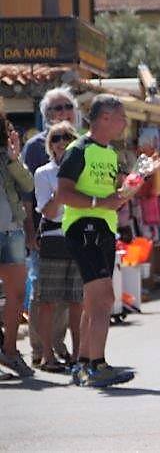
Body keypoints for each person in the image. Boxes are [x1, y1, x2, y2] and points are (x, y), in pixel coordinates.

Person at [55, 95, 143, 387]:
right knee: (104, 297)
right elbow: (63, 194)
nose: (124, 123)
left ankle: (82, 365)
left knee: (95, 299)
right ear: (104, 117)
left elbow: (114, 198)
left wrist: (136, 180)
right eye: (121, 117)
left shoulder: (110, 153)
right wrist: (97, 202)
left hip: (105, 228)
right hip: (83, 226)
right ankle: (98, 365)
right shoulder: (78, 150)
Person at [22, 85, 79, 367]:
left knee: (68, 295)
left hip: (75, 233)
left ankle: (58, 345)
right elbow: (27, 196)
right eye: (57, 108)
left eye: (68, 106)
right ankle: (38, 349)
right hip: (44, 232)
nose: (64, 112)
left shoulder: (82, 146)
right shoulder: (35, 148)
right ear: (46, 115)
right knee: (42, 294)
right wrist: (31, 233)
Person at [32, 121, 83, 372]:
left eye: (66, 137)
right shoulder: (43, 173)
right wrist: (63, 187)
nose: (61, 142)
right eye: (55, 138)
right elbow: (49, 212)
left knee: (77, 300)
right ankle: (47, 355)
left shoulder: (83, 169)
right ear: (49, 145)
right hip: (53, 239)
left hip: (79, 237)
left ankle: (77, 354)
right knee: (48, 301)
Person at [0, 113, 36, 378]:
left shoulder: (8, 154)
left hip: (12, 230)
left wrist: (14, 160)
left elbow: (28, 184)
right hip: (11, 232)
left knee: (15, 298)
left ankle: (10, 351)